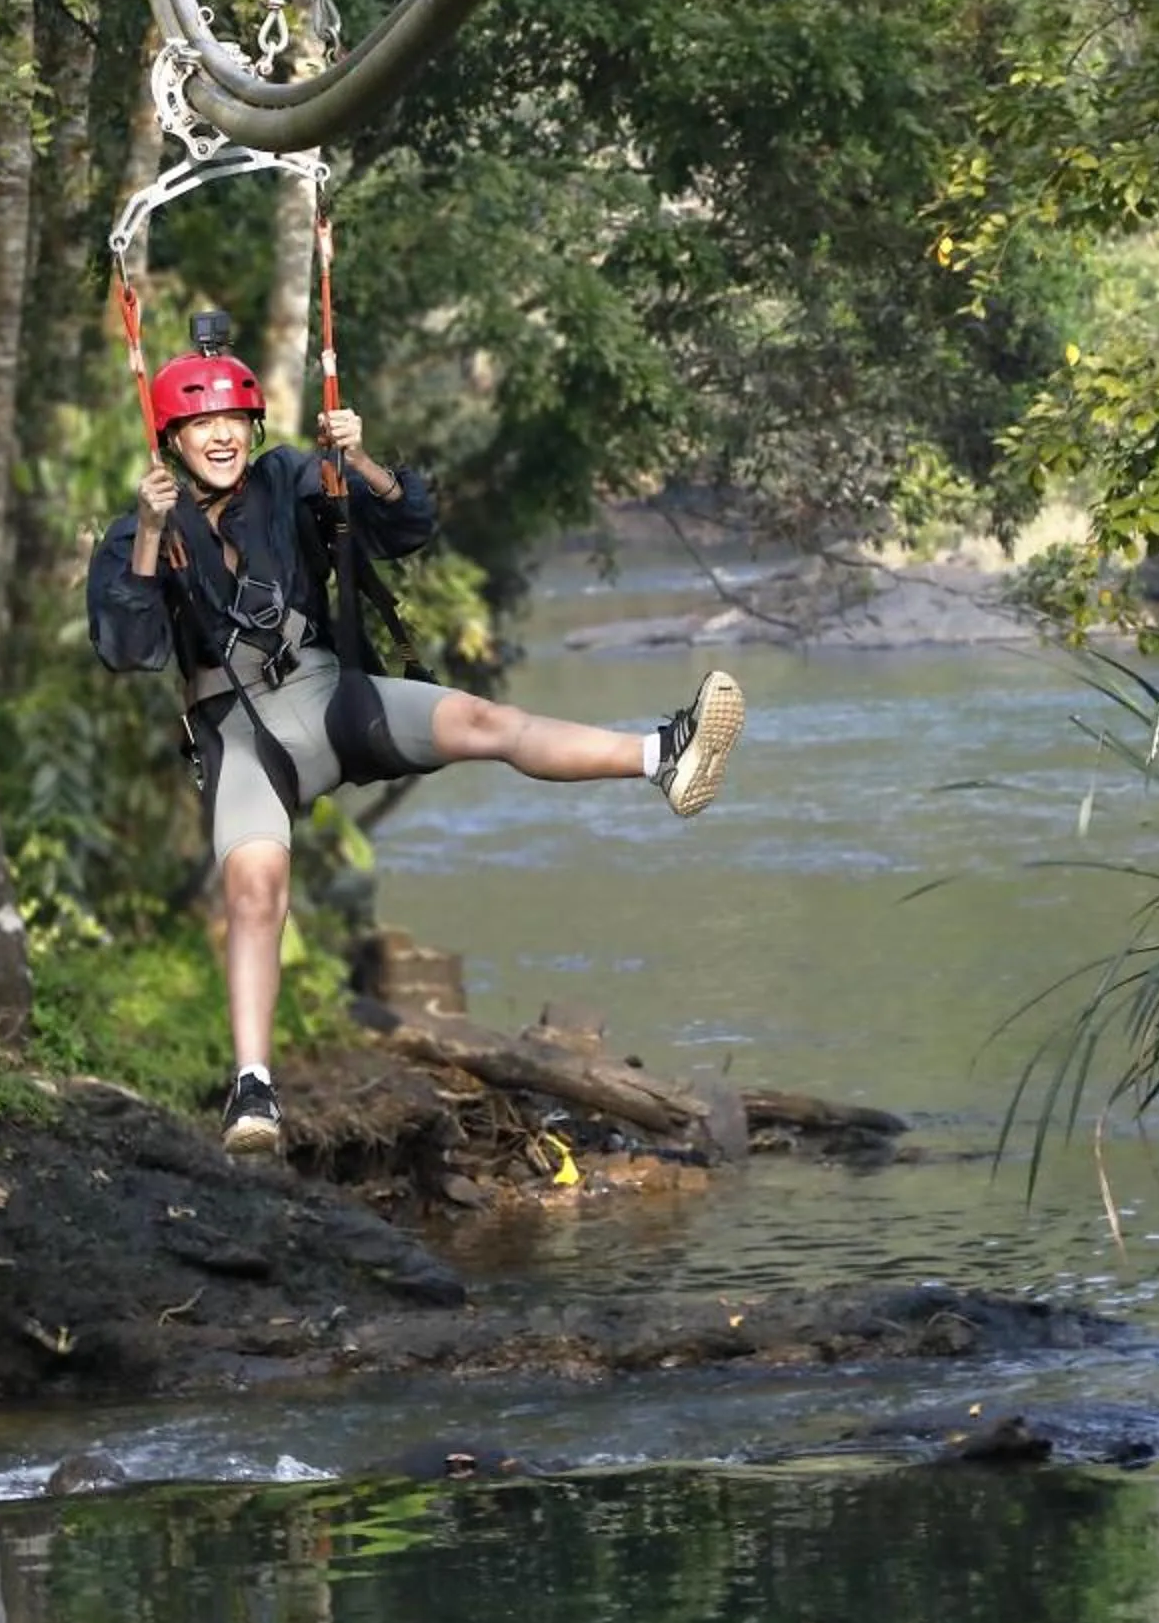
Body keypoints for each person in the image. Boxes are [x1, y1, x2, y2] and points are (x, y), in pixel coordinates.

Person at [87, 314, 744, 1155]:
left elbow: (404, 529)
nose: (218, 438)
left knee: (484, 720)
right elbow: (128, 648)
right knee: (255, 888)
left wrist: (356, 459)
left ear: (250, 428)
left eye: (230, 423)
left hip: (329, 695)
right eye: (198, 425)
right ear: (173, 437)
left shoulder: (291, 478)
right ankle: (253, 1093)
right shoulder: (142, 529)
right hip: (238, 732)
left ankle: (665, 756)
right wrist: (148, 532)